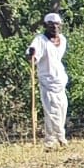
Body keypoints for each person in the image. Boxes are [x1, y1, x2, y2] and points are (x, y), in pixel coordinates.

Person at [26, 12, 68, 148]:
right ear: (45, 26)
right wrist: (31, 54)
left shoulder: (62, 39)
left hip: (60, 81)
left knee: (62, 108)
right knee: (51, 110)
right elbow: (32, 54)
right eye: (51, 25)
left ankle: (58, 137)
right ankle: (53, 140)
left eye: (57, 24)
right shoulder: (40, 40)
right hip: (47, 81)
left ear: (60, 25)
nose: (54, 27)